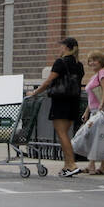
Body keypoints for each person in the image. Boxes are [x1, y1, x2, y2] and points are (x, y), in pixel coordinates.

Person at [27, 36, 84, 177]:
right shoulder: (79, 64)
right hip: (74, 101)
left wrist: (35, 92)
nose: (59, 48)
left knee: (61, 134)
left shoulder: (60, 62)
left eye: (61, 46)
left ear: (67, 48)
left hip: (61, 101)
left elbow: (48, 82)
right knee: (66, 133)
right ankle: (67, 165)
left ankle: (71, 164)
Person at [83, 50, 104, 175]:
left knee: (96, 136)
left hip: (103, 109)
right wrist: (86, 111)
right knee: (98, 136)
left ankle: (91, 164)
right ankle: (103, 166)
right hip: (95, 109)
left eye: (95, 60)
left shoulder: (103, 73)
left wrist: (101, 105)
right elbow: (92, 97)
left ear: (101, 61)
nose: (92, 63)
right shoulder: (94, 76)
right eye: (90, 61)